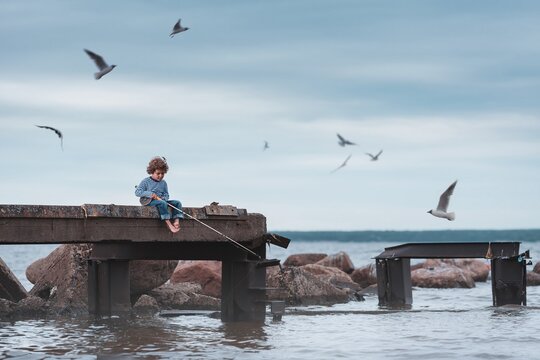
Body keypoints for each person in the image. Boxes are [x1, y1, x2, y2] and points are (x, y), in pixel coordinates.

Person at [135, 156, 183, 233]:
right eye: (158, 173)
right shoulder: (145, 181)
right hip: (149, 201)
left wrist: (164, 198)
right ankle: (169, 224)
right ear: (152, 172)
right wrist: (150, 194)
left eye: (162, 173)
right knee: (162, 203)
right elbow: (137, 192)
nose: (160, 175)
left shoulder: (163, 183)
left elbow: (166, 195)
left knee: (177, 203)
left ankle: (176, 221)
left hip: (161, 201)